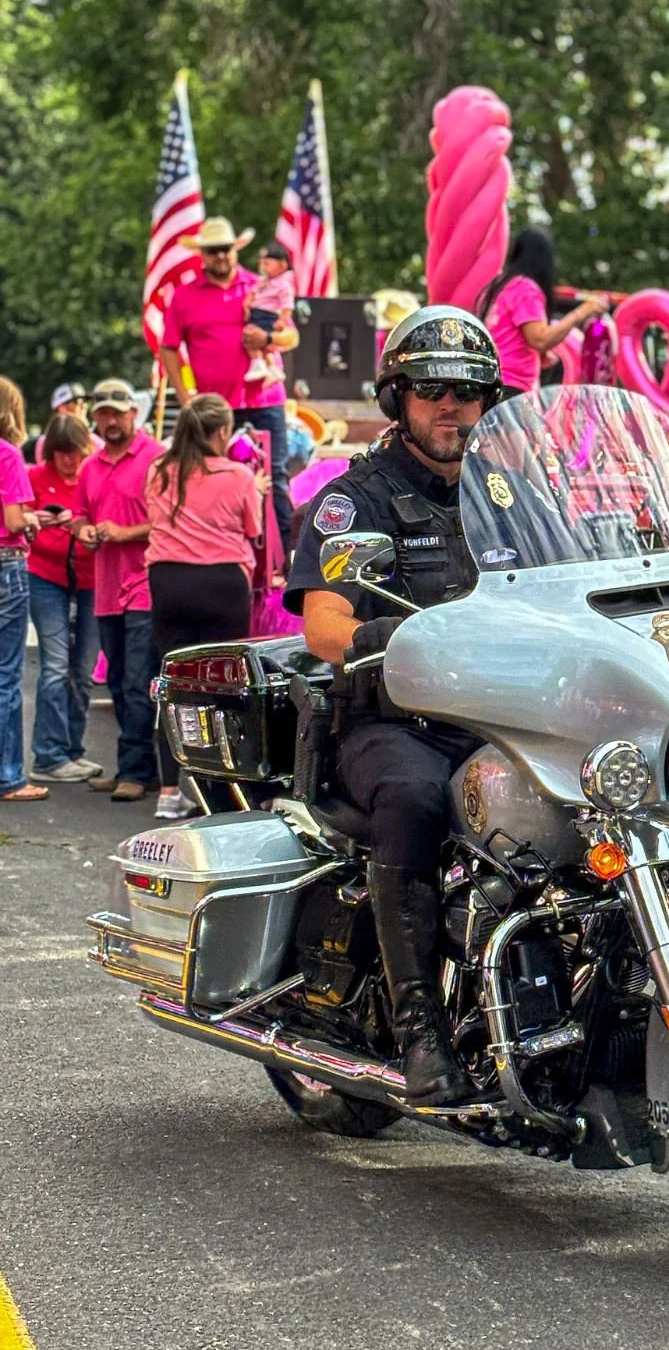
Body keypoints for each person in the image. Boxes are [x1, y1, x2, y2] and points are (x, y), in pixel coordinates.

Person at [285, 305, 502, 1106]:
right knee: (413, 801)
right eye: (430, 388)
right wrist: (389, 637)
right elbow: (323, 624)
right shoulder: (356, 499)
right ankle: (421, 1030)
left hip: (496, 716)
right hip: (391, 718)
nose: (451, 404)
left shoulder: (510, 497)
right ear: (397, 397)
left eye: (468, 389)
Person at [145, 394, 265, 819]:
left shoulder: (161, 471)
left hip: (169, 582)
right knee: (222, 687)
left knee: (172, 683)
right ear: (220, 433)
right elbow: (254, 529)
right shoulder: (237, 475)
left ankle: (166, 790)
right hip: (222, 583)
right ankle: (219, 792)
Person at [158, 215, 299, 551]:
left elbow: (292, 336)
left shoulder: (260, 286)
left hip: (265, 399)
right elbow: (168, 348)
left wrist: (267, 336)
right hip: (216, 408)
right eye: (213, 250)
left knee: (276, 478)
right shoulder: (185, 296)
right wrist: (184, 397)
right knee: (214, 478)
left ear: (235, 250)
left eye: (225, 249)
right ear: (203, 254)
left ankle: (288, 563)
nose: (220, 256)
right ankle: (223, 552)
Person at [73, 379, 166, 802]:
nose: (109, 421)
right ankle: (139, 767)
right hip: (106, 586)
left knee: (136, 680)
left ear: (134, 413)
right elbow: (78, 516)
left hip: (146, 584)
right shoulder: (90, 466)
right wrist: (85, 530)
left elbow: (168, 519)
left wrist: (124, 532)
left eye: (116, 412)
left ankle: (134, 769)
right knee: (114, 680)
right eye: (102, 414)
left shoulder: (157, 458)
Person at [27, 414, 102, 783]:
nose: (71, 461)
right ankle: (48, 754)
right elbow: (17, 522)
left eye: (76, 452)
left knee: (83, 671)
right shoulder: (35, 478)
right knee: (55, 665)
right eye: (63, 454)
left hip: (91, 577)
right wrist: (37, 521)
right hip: (46, 576)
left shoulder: (92, 474)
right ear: (52, 453)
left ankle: (72, 750)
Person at [0, 377, 51, 803]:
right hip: (6, 566)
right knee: (6, 676)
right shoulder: (8, 454)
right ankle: (9, 776)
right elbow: (15, 522)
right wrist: (35, 520)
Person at [477, 227, 605, 397]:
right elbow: (540, 339)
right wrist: (583, 311)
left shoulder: (497, 287)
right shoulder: (525, 288)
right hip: (512, 388)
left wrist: (540, 354)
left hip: (488, 382)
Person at [242, 241, 296, 385]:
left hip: (267, 315)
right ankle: (272, 368)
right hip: (256, 313)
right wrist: (247, 305)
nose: (264, 267)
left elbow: (287, 307)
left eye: (267, 264)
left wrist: (282, 321)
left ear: (282, 265)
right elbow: (253, 293)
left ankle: (258, 363)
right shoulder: (262, 282)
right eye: (262, 264)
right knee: (265, 347)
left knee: (251, 337)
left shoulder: (283, 286)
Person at [34, 384, 96, 463]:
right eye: (77, 402)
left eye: (85, 402)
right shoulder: (44, 442)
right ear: (62, 408)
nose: (84, 406)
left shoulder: (95, 440)